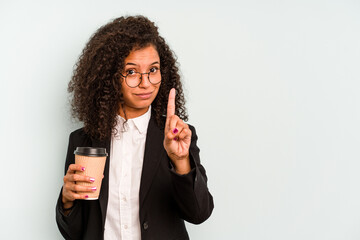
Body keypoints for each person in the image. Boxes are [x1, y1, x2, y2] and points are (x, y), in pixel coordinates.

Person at [55, 15, 214, 240]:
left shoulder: (177, 136)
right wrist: (67, 201)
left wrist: (180, 161)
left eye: (153, 70)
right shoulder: (83, 141)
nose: (145, 82)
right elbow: (76, 232)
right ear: (109, 77)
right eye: (131, 72)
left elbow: (199, 213)